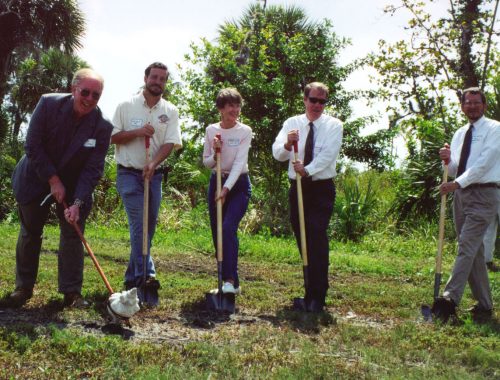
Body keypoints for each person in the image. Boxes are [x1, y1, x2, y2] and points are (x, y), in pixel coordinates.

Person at [9, 68, 113, 307]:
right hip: (35, 176)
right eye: (84, 92)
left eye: (95, 95)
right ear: (73, 89)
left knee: (72, 235)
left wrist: (77, 203)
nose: (89, 99)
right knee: (30, 232)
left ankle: (71, 293)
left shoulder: (102, 126)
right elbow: (32, 145)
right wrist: (53, 180)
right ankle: (23, 288)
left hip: (76, 184)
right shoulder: (48, 104)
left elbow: (93, 169)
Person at [111, 62, 182, 305]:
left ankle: (132, 278)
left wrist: (153, 164)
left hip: (155, 175)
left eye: (162, 79)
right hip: (129, 174)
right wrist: (138, 132)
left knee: (147, 229)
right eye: (154, 77)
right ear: (145, 78)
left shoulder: (170, 111)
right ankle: (147, 277)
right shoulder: (126, 106)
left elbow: (170, 142)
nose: (158, 82)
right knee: (139, 226)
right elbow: (112, 136)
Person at [272, 82, 343, 312]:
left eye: (322, 101)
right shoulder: (292, 123)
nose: (317, 105)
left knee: (316, 234)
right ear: (305, 99)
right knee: (302, 237)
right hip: (298, 188)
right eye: (313, 100)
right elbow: (278, 154)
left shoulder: (334, 125)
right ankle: (308, 291)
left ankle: (318, 296)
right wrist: (287, 144)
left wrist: (308, 169)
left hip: (321, 187)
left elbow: (328, 156)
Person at [433, 87, 500, 322]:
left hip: (484, 193)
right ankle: (484, 304)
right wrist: (447, 159)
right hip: (461, 196)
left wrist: (457, 183)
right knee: (475, 250)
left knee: (466, 245)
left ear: (484, 105)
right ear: (462, 106)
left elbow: (483, 164)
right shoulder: (460, 133)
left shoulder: (495, 129)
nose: (472, 106)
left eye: (476, 102)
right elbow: (455, 168)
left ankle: (449, 299)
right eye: (467, 102)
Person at [203, 88, 252, 294]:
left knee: (228, 227)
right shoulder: (211, 130)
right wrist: (215, 153)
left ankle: (229, 281)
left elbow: (240, 163)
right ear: (221, 109)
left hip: (238, 184)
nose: (235, 109)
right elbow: (206, 163)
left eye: (237, 105)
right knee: (218, 233)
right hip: (217, 180)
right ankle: (230, 282)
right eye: (230, 105)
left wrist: (226, 189)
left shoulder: (245, 131)